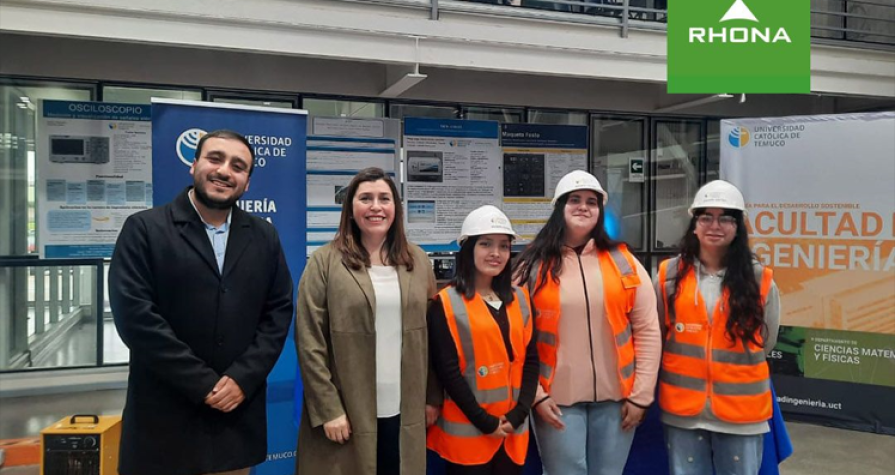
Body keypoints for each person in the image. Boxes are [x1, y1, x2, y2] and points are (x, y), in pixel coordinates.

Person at [109, 129, 294, 475]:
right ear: (193, 165)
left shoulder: (263, 236)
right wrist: (203, 384)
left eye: (238, 166)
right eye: (215, 158)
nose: (225, 170)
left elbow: (278, 311)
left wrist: (242, 378)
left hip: (233, 421)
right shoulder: (145, 230)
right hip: (164, 421)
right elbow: (136, 318)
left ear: (247, 183)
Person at [513, 170, 661, 475]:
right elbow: (514, 336)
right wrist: (536, 395)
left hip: (618, 400)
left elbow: (647, 330)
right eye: (575, 200)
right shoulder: (532, 265)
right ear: (560, 208)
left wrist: (642, 395)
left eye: (591, 202)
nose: (583, 207)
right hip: (556, 402)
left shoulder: (624, 262)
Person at [295, 167, 437, 475]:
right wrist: (328, 409)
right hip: (347, 411)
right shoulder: (324, 262)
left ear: (395, 208)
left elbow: (432, 336)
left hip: (405, 409)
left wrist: (431, 398)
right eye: (366, 198)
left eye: (384, 198)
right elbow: (309, 340)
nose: (376, 206)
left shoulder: (418, 261)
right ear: (350, 209)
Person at [655, 180, 781, 475]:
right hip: (683, 411)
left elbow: (767, 342)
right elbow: (658, 335)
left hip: (742, 414)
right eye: (706, 216)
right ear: (694, 225)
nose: (715, 225)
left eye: (726, 217)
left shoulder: (760, 280)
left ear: (738, 227)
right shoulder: (668, 276)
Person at [426, 205, 539, 475]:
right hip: (469, 435)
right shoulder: (446, 303)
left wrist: (519, 413)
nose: (495, 253)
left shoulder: (521, 298)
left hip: (512, 433)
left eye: (503, 245)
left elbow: (531, 360)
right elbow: (448, 372)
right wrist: (485, 421)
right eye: (485, 244)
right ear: (468, 249)